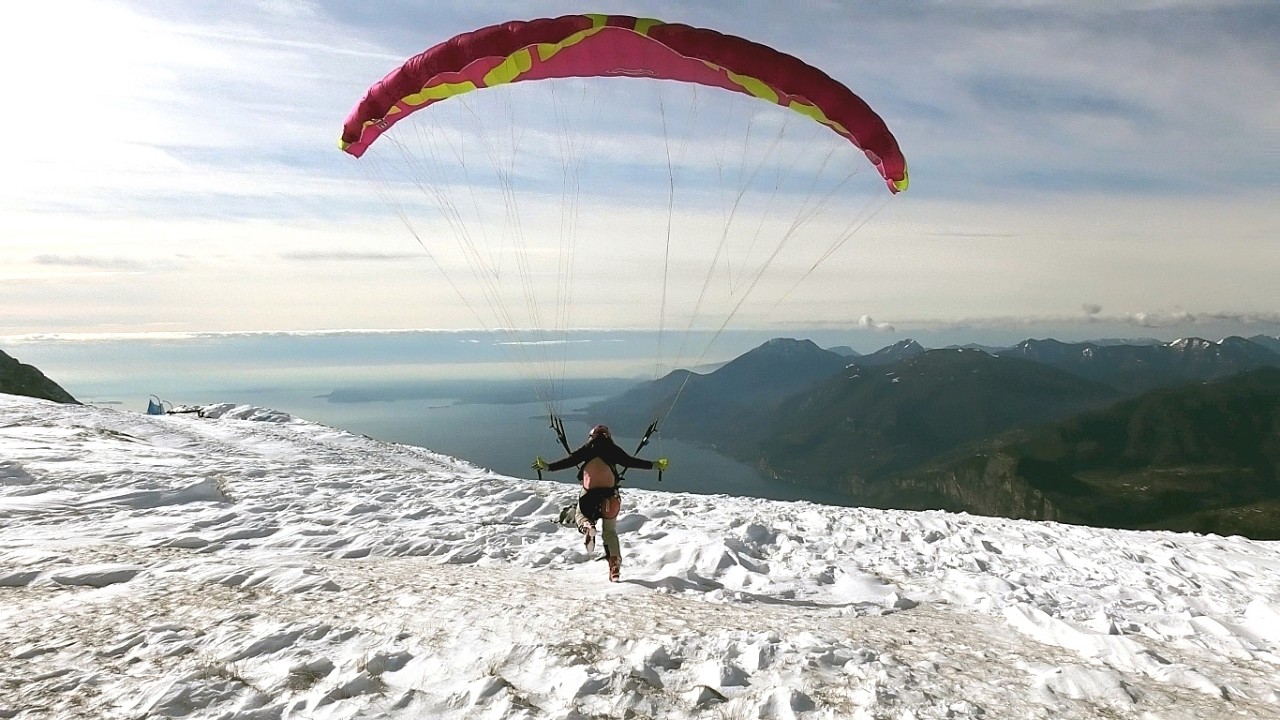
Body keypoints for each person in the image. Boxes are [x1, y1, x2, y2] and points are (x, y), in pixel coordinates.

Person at [533, 424, 668, 582]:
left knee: (580, 515)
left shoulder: (588, 448)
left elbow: (569, 461)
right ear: (608, 436)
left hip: (588, 497)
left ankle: (588, 526)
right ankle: (615, 566)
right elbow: (630, 462)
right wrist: (655, 465)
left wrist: (548, 467)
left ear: (591, 436)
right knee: (609, 532)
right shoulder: (613, 449)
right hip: (611, 498)